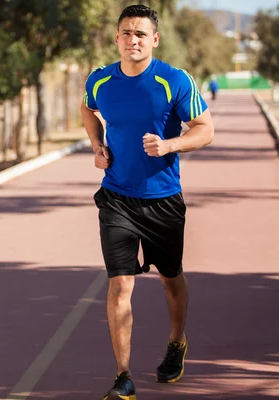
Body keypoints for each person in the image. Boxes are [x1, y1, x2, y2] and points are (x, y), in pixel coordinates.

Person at [80, 5, 214, 400]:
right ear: (117, 37)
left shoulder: (174, 80)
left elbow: (205, 130)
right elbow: (87, 108)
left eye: (140, 33)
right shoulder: (100, 80)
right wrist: (96, 144)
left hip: (163, 201)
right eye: (126, 33)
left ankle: (177, 341)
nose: (132, 39)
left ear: (154, 39)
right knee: (120, 285)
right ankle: (123, 377)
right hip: (117, 198)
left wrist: (169, 144)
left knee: (171, 280)